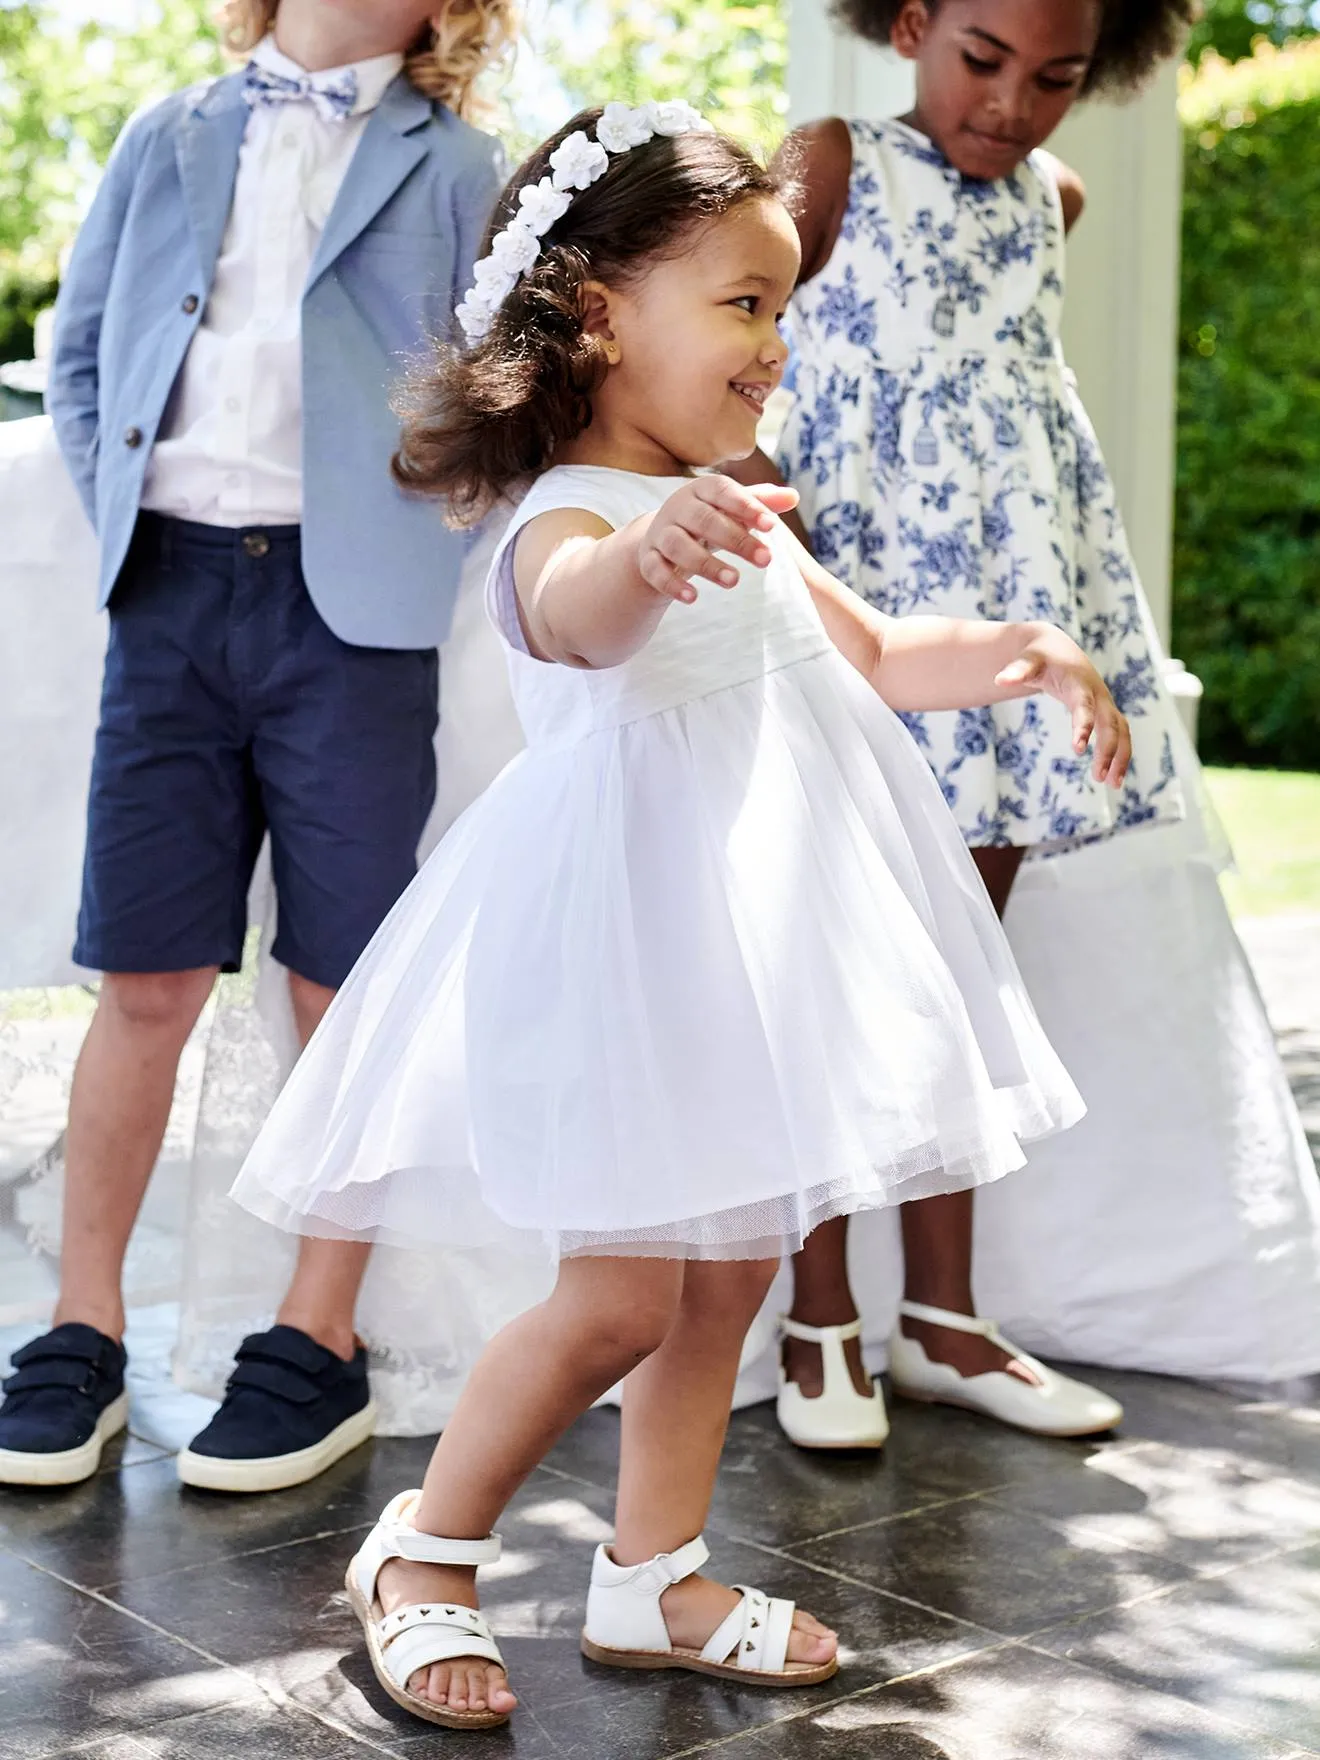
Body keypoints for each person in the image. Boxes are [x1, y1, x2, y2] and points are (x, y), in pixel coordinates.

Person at [230, 101, 1130, 1729]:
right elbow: (573, 619)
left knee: (728, 1281)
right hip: (621, 971)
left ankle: (655, 1571)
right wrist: (652, 556)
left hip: (743, 966)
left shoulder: (737, 507)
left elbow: (872, 660)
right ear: (596, 315)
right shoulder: (572, 517)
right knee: (622, 1297)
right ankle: (422, 1555)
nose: (774, 342)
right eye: (742, 303)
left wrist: (1022, 649)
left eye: (782, 306)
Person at [0, 0, 514, 1493]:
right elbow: (87, 349)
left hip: (349, 616)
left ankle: (317, 1337)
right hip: (170, 591)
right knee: (145, 969)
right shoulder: (167, 134)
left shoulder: (460, 166)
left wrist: (427, 524)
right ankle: (79, 1327)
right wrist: (138, 535)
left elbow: (501, 380)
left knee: (337, 978)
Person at [725, 0, 1198, 1450]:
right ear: (915, 22)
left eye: (1057, 79)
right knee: (831, 963)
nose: (1013, 106)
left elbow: (1026, 425)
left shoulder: (1051, 201)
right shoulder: (832, 161)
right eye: (983, 59)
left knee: (960, 968)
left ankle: (942, 1319)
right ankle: (821, 1322)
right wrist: (752, 515)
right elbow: (741, 334)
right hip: (858, 610)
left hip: (999, 631)